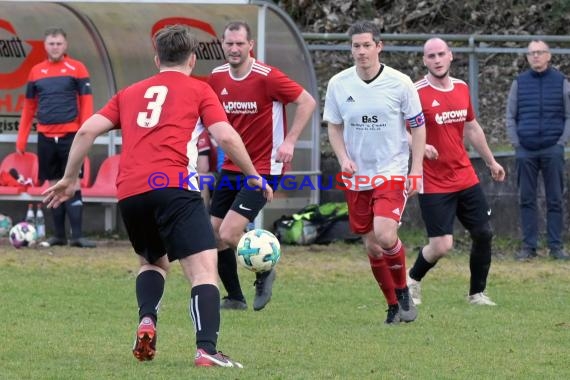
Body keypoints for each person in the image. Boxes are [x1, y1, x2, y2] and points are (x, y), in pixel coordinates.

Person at [43, 24, 273, 368]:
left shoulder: (130, 92)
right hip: (174, 185)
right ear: (192, 60)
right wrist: (254, 176)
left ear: (157, 59)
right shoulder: (199, 89)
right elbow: (224, 136)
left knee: (153, 262)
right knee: (204, 271)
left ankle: (148, 318)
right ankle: (206, 350)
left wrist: (69, 178)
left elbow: (88, 129)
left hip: (131, 191)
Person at [207, 21, 316, 311]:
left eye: (240, 43)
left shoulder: (267, 77)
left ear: (250, 45)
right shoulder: (216, 78)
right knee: (214, 234)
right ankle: (234, 298)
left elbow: (307, 101)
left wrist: (290, 141)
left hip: (265, 168)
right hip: (231, 167)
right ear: (222, 43)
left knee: (230, 233)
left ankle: (265, 267)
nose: (234, 48)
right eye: (229, 43)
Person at [323, 20, 425, 324]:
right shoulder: (339, 83)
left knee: (384, 234)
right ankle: (393, 305)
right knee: (371, 245)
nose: (361, 52)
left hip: (391, 171)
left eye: (367, 45)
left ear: (379, 47)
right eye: (356, 46)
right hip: (357, 176)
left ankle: (404, 289)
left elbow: (418, 127)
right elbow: (334, 126)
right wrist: (343, 158)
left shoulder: (400, 82)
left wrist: (416, 169)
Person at [406, 38, 506, 306]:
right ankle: (412, 280)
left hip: (464, 176)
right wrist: (420, 144)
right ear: (424, 60)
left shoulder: (462, 87)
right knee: (442, 245)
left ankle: (477, 294)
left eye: (441, 54)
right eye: (431, 56)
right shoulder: (415, 91)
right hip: (433, 180)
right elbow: (399, 131)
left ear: (450, 56)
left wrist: (491, 162)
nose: (436, 60)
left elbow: (472, 127)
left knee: (483, 233)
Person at [16, 27, 95, 248]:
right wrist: (21, 138)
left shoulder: (77, 69)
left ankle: (77, 236)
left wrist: (85, 134)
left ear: (65, 45)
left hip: (71, 135)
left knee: (74, 183)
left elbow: (86, 102)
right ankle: (59, 235)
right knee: (53, 185)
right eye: (51, 43)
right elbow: (29, 107)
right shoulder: (36, 71)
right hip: (45, 136)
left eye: (59, 43)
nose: (55, 47)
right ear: (45, 45)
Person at [506, 40, 570, 261]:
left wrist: (562, 141)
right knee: (526, 199)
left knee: (555, 199)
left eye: (540, 52)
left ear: (549, 56)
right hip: (526, 150)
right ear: (527, 57)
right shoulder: (519, 83)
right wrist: (516, 142)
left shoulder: (562, 82)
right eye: (532, 53)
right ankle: (528, 247)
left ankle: (556, 247)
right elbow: (510, 115)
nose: (536, 56)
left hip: (553, 149)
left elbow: (568, 115)